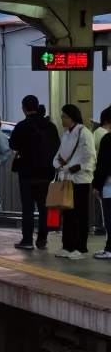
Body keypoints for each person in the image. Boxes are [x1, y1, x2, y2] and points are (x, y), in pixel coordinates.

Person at [8, 95, 60, 250]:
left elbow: (13, 144)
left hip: (28, 174)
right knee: (44, 208)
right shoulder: (51, 126)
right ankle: (42, 239)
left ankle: (27, 240)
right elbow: (57, 146)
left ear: (24, 108)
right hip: (47, 174)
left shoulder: (22, 126)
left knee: (28, 208)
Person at [54, 103, 95, 260]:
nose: (63, 120)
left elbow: (89, 157)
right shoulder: (66, 134)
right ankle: (67, 245)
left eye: (65, 117)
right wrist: (58, 166)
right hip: (67, 179)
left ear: (72, 117)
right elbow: (58, 155)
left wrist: (72, 168)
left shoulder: (84, 133)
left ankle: (80, 247)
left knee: (80, 214)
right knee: (68, 214)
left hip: (81, 180)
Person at [92, 108, 111, 259]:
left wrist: (97, 186)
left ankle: (110, 248)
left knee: (109, 217)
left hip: (109, 185)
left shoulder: (107, 139)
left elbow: (102, 166)